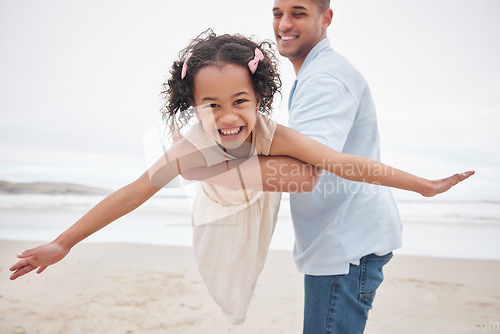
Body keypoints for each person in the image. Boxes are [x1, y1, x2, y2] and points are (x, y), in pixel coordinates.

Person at [9, 30, 473, 326]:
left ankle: (215, 170)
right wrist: (64, 242)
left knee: (253, 165)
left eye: (239, 101)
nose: (228, 116)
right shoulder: (193, 142)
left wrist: (424, 185)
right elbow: (133, 193)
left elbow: (345, 163)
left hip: (252, 184)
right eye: (211, 105)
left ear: (259, 97)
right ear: (194, 105)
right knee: (191, 173)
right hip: (219, 196)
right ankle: (208, 170)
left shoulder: (276, 133)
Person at [271, 0, 450, 332]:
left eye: (298, 13)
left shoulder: (325, 78)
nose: (283, 24)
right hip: (344, 240)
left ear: (326, 18)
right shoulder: (318, 72)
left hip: (345, 247)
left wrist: (217, 169)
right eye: (277, 13)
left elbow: (304, 173)